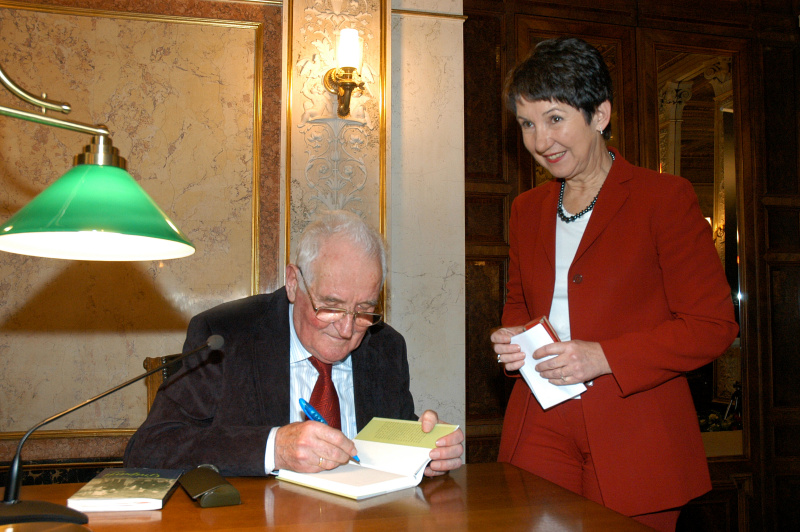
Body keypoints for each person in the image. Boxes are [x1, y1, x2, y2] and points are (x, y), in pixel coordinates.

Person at [490, 37, 738, 531]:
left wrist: (604, 356)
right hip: (539, 421)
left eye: (555, 119)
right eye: (527, 124)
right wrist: (512, 336)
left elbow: (713, 325)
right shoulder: (526, 210)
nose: (540, 141)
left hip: (638, 430)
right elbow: (519, 302)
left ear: (600, 114)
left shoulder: (664, 198)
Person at [125, 210, 463, 478]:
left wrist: (425, 453)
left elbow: (389, 440)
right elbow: (150, 447)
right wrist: (274, 448)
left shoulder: (385, 347)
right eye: (330, 306)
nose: (347, 329)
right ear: (292, 283)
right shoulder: (226, 336)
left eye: (364, 310)